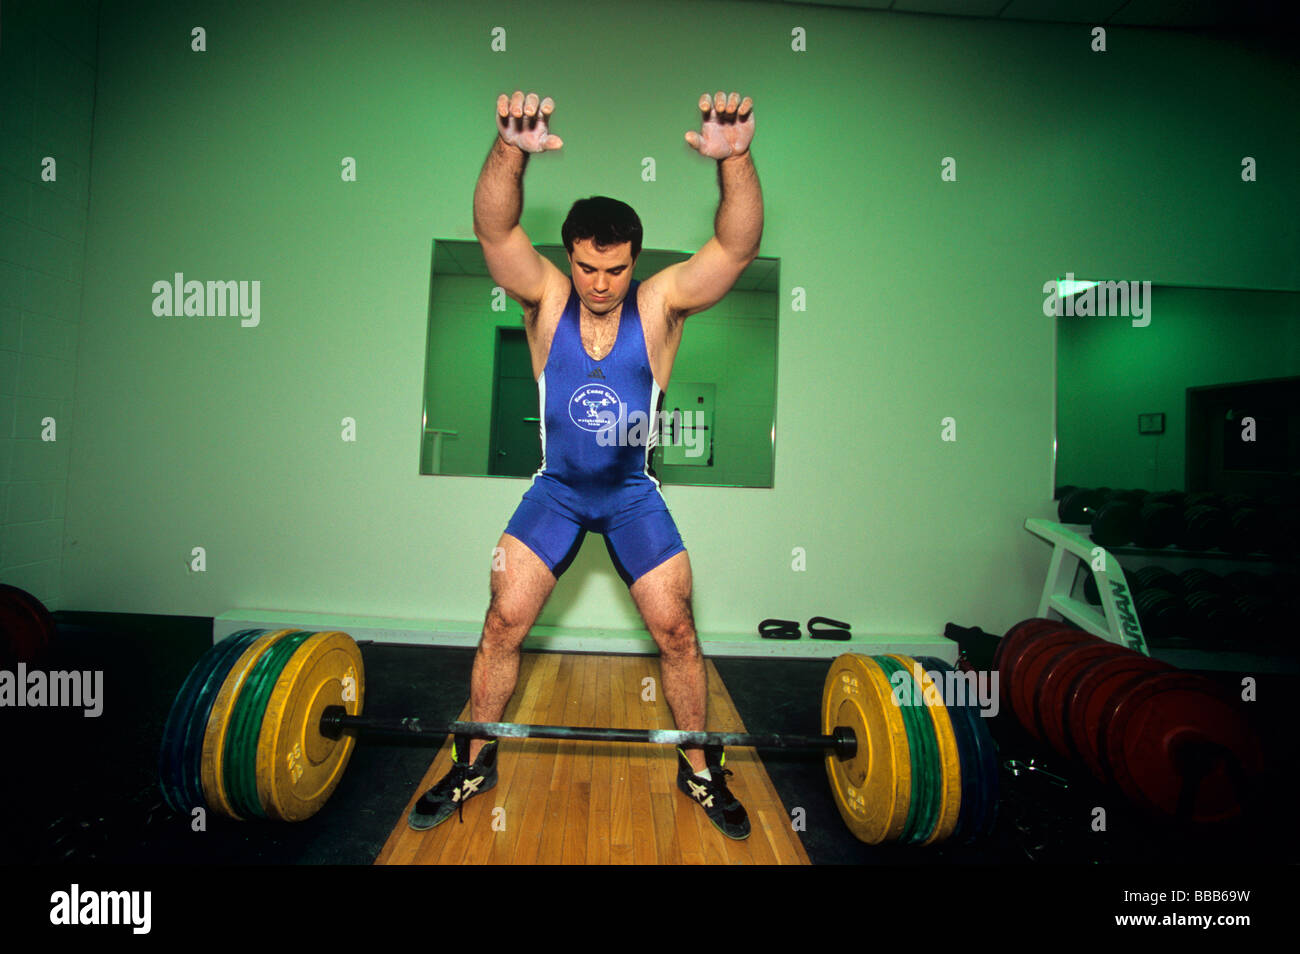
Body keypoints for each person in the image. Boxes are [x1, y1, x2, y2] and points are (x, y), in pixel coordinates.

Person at [409, 89, 763, 840]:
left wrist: (735, 162)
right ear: (570, 257)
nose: (600, 285)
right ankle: (474, 759)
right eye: (587, 268)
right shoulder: (546, 296)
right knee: (503, 620)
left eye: (616, 269)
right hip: (558, 494)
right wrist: (510, 147)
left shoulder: (660, 304)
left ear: (635, 261)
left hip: (633, 496)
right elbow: (494, 227)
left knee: (677, 634)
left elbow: (733, 249)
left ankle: (700, 767)